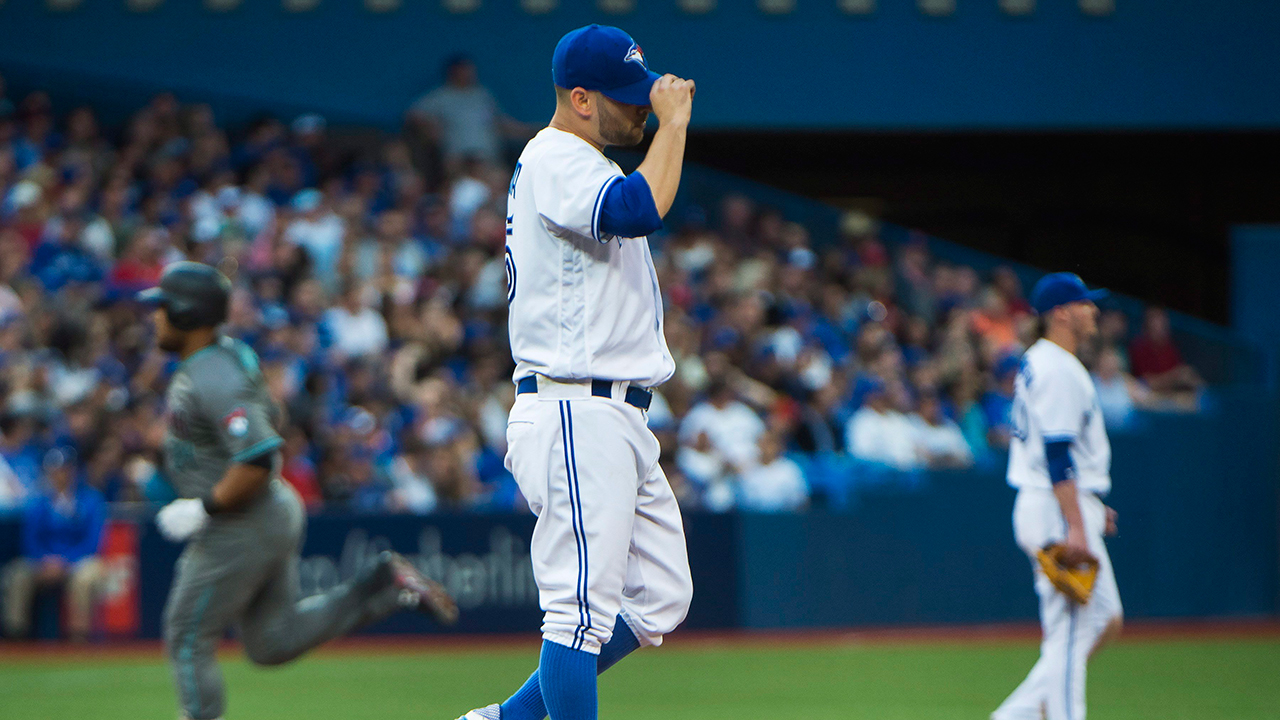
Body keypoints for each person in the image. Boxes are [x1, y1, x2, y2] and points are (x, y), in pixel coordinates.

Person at [456, 25, 696, 720]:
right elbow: (636, 211)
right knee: (577, 614)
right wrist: (674, 124)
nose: (641, 110)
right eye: (625, 99)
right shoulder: (557, 155)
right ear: (581, 99)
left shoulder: (582, 160)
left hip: (610, 414)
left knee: (657, 597)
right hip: (573, 408)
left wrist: (663, 123)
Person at [138, 262, 457, 720]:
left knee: (187, 633)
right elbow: (276, 421)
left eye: (163, 308)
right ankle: (382, 585)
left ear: (187, 314)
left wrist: (204, 507)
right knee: (271, 642)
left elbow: (259, 456)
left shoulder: (211, 374)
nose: (155, 317)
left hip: (241, 520)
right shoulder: (229, 356)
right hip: (266, 511)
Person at [992, 273, 1123, 720]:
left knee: (1105, 617)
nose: (1094, 311)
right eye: (1085, 304)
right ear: (1061, 313)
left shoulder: (1047, 362)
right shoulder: (1057, 367)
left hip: (1058, 503)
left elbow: (1062, 455)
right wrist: (1075, 524)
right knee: (1070, 631)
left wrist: (1088, 505)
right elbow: (1055, 453)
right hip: (1052, 509)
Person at [2, 447, 106, 641]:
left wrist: (65, 561)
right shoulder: (39, 501)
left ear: (74, 471)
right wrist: (44, 560)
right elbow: (30, 540)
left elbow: (93, 542)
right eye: (56, 470)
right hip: (43, 562)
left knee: (85, 576)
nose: (60, 475)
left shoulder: (90, 499)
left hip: (77, 561)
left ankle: (79, 636)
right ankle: (15, 636)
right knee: (16, 575)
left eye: (65, 469)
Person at [409, 54, 530, 168]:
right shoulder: (441, 96)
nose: (468, 74)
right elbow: (414, 115)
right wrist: (432, 128)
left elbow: (500, 121)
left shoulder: (482, 95)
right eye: (463, 70)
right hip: (456, 157)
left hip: (486, 156)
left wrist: (530, 131)